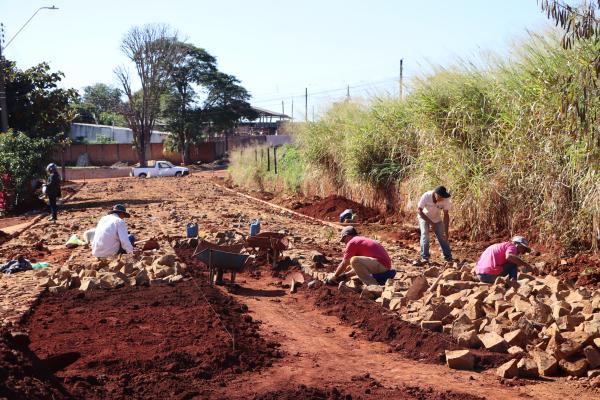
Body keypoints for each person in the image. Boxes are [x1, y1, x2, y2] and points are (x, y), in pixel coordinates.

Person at [327, 226, 395, 286]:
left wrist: (335, 276)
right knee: (354, 262)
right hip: (384, 266)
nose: (345, 243)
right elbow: (360, 268)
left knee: (354, 260)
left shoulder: (352, 242)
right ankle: (373, 282)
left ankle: (372, 285)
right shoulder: (360, 240)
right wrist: (345, 276)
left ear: (347, 236)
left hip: (381, 264)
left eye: (344, 240)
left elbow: (345, 263)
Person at [417, 185, 452, 263]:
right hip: (424, 217)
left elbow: (446, 215)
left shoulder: (445, 200)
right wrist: (431, 223)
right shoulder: (426, 196)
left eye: (442, 197)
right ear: (435, 193)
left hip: (436, 218)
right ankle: (425, 257)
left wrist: (446, 232)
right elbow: (419, 211)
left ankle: (448, 257)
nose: (441, 199)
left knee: (442, 236)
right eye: (439, 197)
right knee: (425, 234)